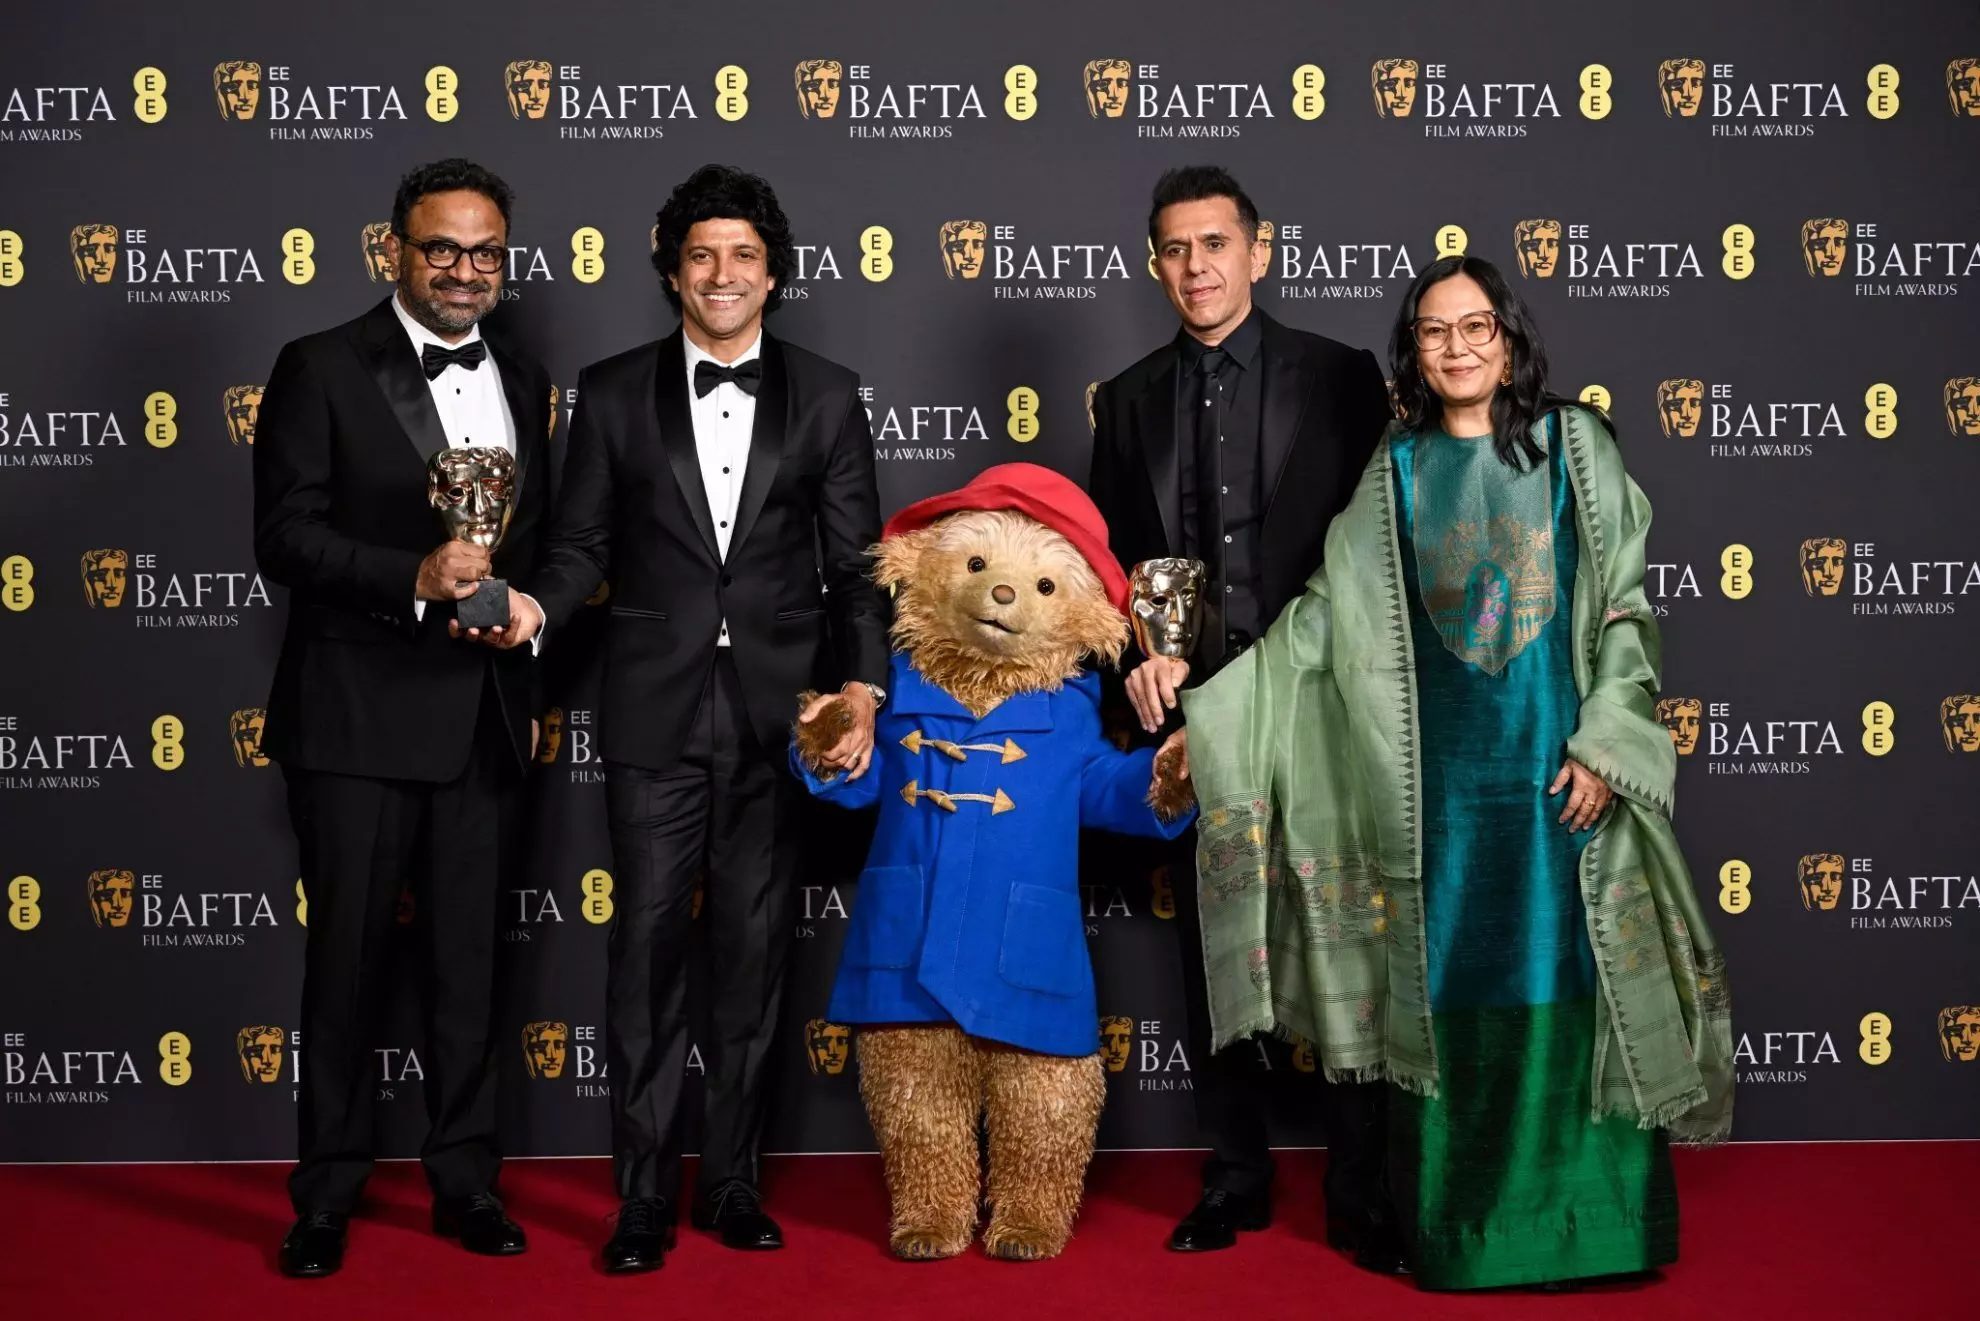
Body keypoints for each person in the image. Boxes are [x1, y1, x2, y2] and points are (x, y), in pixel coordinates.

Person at [1174, 254, 1734, 1290]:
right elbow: (1323, 618)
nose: (1457, 346)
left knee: (1564, 972)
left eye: (1476, 326)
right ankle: (1465, 1232)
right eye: (1433, 331)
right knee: (1450, 980)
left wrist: (1605, 741)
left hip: (1561, 777)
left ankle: (1591, 1228)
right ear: (1413, 353)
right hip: (1433, 794)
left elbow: (1625, 607)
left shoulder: (1576, 448)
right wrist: (1209, 717)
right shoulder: (1396, 468)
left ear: (1509, 341)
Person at [506, 163, 890, 1273]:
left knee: (754, 956)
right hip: (652, 712)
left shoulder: (829, 393)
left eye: (744, 256)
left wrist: (863, 689)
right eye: (702, 255)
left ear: (774, 275)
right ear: (672, 271)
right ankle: (640, 1198)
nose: (723, 274)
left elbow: (858, 570)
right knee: (643, 953)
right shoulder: (612, 390)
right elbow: (581, 544)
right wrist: (534, 606)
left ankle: (730, 1184)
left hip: (781, 715)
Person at [1086, 165, 1398, 1265]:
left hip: (1321, 705)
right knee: (1210, 951)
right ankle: (1234, 1178)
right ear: (1155, 265)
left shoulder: (1343, 376)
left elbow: (1385, 547)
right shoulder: (1126, 398)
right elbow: (1115, 571)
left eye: (1215, 243)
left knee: (1341, 939)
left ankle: (1362, 1191)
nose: (1196, 266)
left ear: (1259, 252)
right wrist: (1138, 662)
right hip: (1199, 719)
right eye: (1175, 248)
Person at [252, 158, 552, 1278]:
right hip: (356, 721)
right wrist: (412, 578)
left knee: (469, 970)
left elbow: (538, 541)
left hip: (482, 715)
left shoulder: (526, 376)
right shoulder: (320, 364)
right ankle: (326, 1193)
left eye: (485, 252)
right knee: (347, 968)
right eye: (442, 248)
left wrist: (521, 610)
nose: (465, 270)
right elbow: (283, 536)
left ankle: (466, 1179)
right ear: (395, 250)